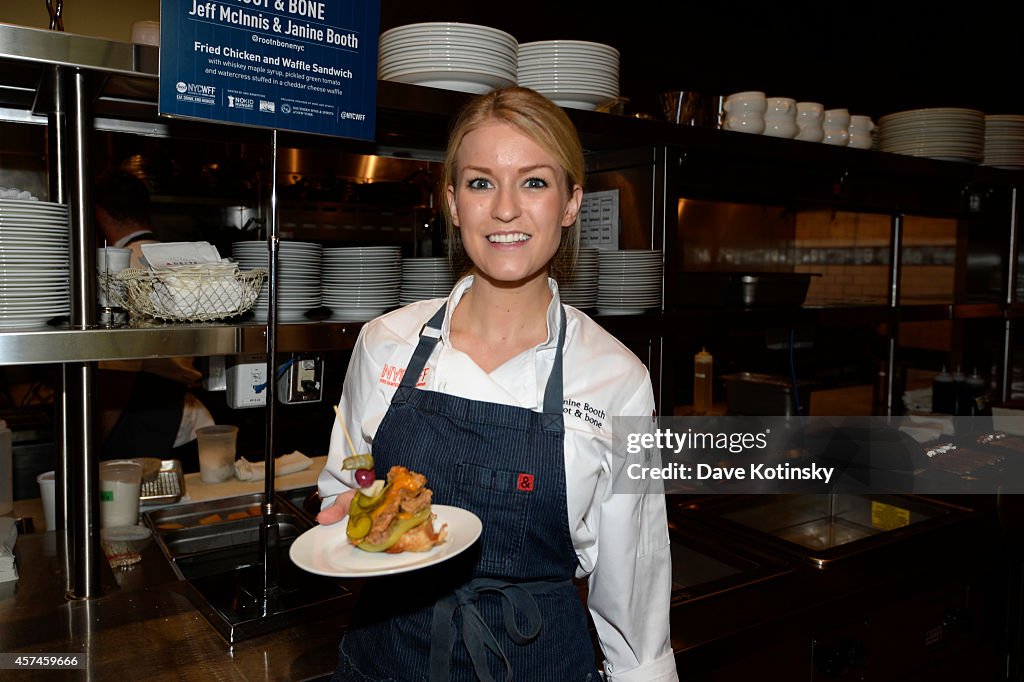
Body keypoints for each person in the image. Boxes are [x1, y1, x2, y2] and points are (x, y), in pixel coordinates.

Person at [317, 87, 676, 681]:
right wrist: (347, 514)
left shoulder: (617, 379)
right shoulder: (386, 344)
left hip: (539, 658)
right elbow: (345, 484)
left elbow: (632, 579)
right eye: (481, 182)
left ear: (570, 203)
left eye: (534, 181)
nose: (505, 208)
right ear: (453, 204)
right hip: (391, 655)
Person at [93, 169, 214, 469]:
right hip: (183, 418)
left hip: (140, 418)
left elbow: (120, 372)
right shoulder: (173, 259)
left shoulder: (118, 271)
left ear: (100, 213)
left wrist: (92, 439)